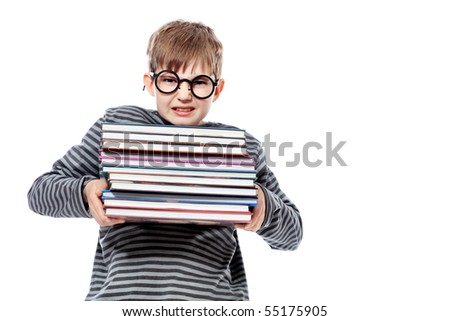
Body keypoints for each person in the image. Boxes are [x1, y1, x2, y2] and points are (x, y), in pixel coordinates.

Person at [28, 19, 302, 301]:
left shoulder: (240, 147)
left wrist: (265, 208)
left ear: (217, 90)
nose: (184, 95)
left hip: (210, 306)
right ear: (150, 83)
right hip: (122, 304)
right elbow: (39, 193)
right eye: (170, 80)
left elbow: (293, 234)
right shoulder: (117, 127)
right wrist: (85, 193)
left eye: (199, 83)